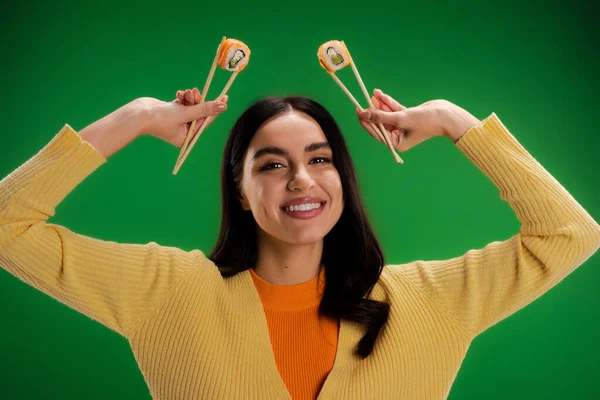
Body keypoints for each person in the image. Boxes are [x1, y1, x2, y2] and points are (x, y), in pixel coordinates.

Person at [0, 85, 598, 400]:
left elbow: (570, 234)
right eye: (271, 164)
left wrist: (451, 120)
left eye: (320, 159)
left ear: (343, 177)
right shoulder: (168, 293)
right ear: (239, 191)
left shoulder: (430, 302)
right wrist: (131, 119)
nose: (302, 180)